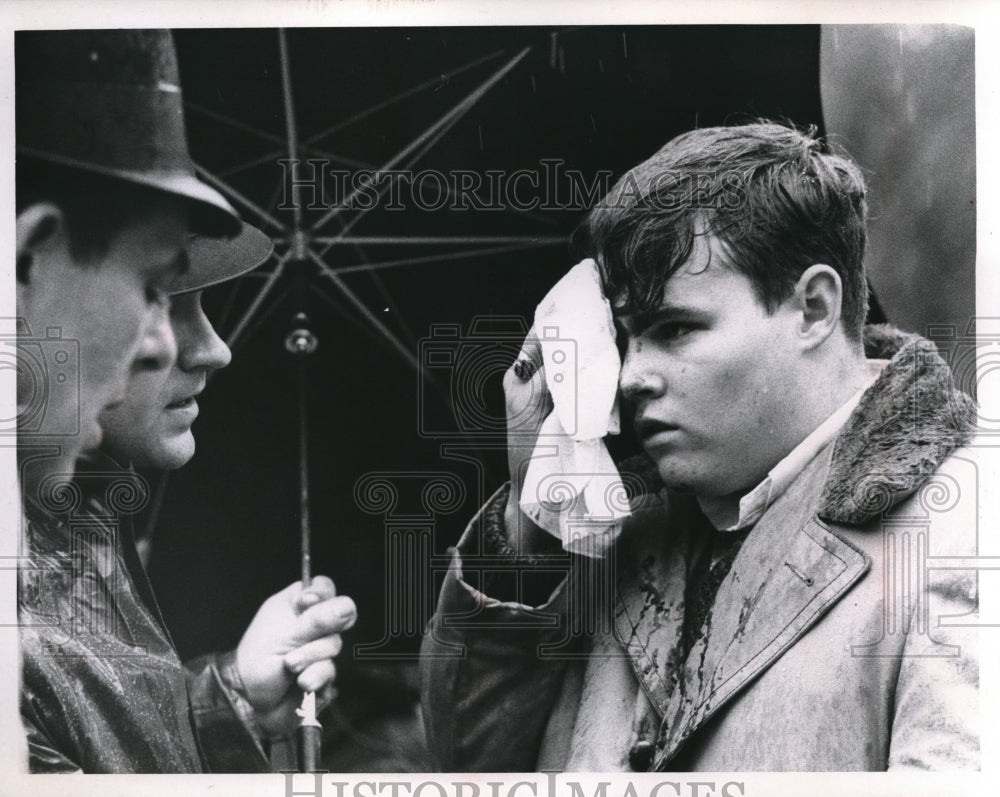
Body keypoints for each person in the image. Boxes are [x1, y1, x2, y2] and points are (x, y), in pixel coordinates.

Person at [421, 122, 980, 771]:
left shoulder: (963, 524)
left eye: (675, 328)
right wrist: (531, 520)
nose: (631, 376)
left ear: (814, 308)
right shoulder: (620, 528)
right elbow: (466, 763)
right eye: (627, 337)